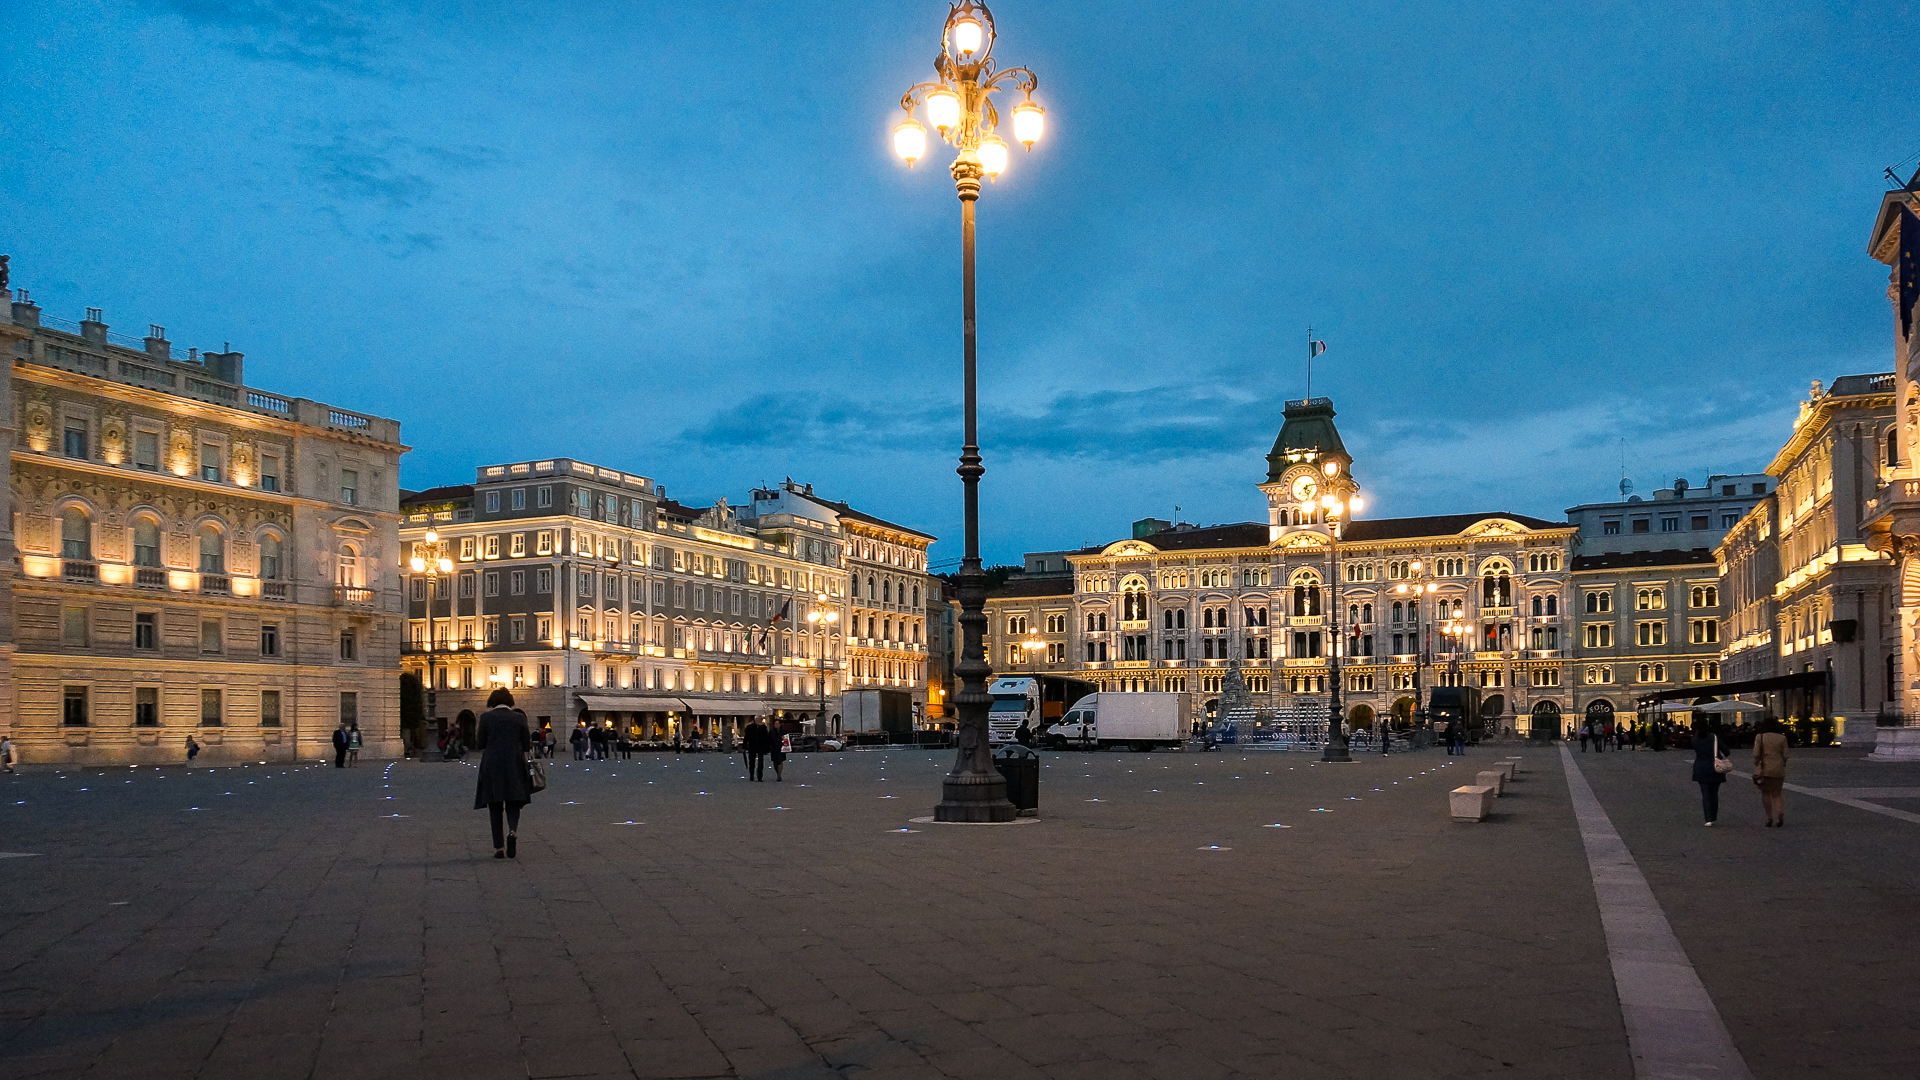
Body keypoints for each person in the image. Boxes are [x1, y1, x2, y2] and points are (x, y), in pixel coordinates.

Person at [474, 688, 533, 859]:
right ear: (510, 701)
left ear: (492, 701)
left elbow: (480, 743)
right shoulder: (519, 718)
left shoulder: (486, 717)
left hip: (492, 764)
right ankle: (513, 831)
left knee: (495, 805)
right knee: (514, 802)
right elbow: (526, 744)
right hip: (515, 763)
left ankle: (499, 848)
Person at [1692, 718, 1731, 826]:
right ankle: (1713, 816)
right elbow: (1726, 751)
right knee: (1714, 793)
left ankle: (1708, 818)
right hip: (1715, 768)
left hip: (1700, 768)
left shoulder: (1694, 740)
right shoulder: (1714, 738)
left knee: (1705, 793)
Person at [1753, 718, 1790, 827]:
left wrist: (1757, 763)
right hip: (1778, 768)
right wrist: (1782, 763)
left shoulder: (1760, 737)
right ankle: (1780, 812)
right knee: (1777, 793)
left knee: (1765, 793)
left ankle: (1770, 817)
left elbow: (1756, 754)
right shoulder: (1782, 738)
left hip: (1764, 769)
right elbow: (1786, 755)